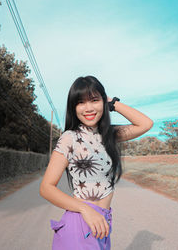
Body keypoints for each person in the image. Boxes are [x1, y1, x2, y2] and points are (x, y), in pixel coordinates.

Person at [39, 76, 153, 250]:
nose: (89, 108)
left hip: (102, 222)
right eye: (81, 102)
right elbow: (46, 188)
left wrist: (112, 103)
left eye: (94, 100)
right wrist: (85, 210)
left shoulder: (110, 134)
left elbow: (145, 124)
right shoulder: (70, 138)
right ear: (73, 107)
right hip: (80, 224)